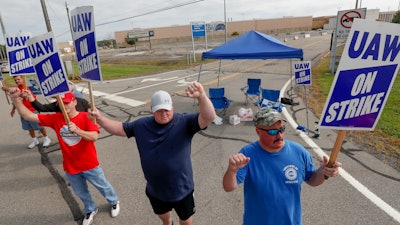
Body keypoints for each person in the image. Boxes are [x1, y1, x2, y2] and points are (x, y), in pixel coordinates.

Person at [89, 82, 216, 225]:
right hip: (156, 190)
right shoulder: (141, 125)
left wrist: (202, 97)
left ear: (172, 107)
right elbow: (119, 129)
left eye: (167, 109)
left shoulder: (184, 122)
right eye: (159, 110)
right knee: (164, 217)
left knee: (185, 219)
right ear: (152, 110)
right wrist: (100, 118)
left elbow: (208, 117)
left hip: (182, 189)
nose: (164, 113)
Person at [8, 88, 120, 225]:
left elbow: (94, 136)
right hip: (71, 166)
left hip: (90, 164)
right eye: (61, 103)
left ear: (74, 102)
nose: (64, 105)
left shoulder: (86, 116)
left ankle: (114, 201)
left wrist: (78, 130)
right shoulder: (56, 118)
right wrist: (15, 100)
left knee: (103, 186)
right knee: (81, 192)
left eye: (67, 102)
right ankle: (90, 209)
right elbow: (29, 117)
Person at [223, 108, 342, 225]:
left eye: (282, 129)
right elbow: (229, 187)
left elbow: (312, 180)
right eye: (273, 132)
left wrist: (324, 171)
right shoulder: (247, 154)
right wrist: (231, 171)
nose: (280, 135)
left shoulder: (299, 152)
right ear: (258, 131)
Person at [2, 75, 51, 148]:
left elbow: (23, 95)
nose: (17, 81)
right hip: (23, 112)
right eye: (15, 80)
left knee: (39, 126)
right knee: (29, 127)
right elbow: (17, 100)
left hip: (33, 110)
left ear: (23, 79)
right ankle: (34, 140)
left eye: (18, 79)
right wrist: (13, 110)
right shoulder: (17, 88)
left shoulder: (27, 87)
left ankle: (46, 138)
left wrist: (7, 89)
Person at [22, 81, 90, 113]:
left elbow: (92, 115)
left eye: (71, 91)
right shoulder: (59, 104)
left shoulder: (83, 102)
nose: (68, 93)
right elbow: (41, 108)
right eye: (65, 91)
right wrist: (30, 97)